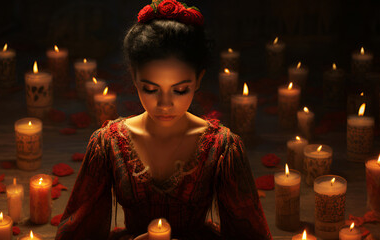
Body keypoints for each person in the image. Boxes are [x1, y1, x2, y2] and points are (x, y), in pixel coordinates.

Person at [56, 1, 272, 239]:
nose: (165, 104)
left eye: (180, 90)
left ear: (198, 80)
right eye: (150, 89)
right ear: (135, 79)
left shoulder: (223, 148)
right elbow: (78, 233)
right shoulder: (108, 143)